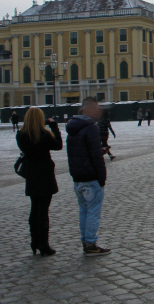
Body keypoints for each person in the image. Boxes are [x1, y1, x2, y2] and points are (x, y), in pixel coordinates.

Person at [66, 96, 111, 255]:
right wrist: (102, 177)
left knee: (84, 211)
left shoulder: (72, 127)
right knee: (93, 211)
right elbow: (95, 156)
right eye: (95, 108)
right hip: (91, 177)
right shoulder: (91, 127)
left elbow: (73, 153)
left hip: (78, 177)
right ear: (85, 109)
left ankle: (86, 240)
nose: (98, 111)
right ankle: (91, 244)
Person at [16, 108, 63, 256]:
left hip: (31, 174)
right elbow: (58, 145)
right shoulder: (43, 134)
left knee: (34, 209)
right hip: (44, 174)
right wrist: (54, 127)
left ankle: (34, 241)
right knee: (43, 212)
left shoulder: (21, 135)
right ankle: (44, 244)